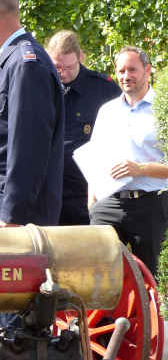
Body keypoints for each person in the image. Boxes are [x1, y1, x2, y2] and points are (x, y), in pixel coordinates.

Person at [0, 0, 64, 329]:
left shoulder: (25, 64)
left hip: (12, 223)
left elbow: (28, 150)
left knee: (14, 331)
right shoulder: (9, 62)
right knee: (1, 322)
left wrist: (12, 216)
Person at [88, 46, 168, 277]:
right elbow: (94, 158)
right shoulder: (107, 111)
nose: (126, 76)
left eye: (132, 70)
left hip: (150, 206)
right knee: (101, 275)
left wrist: (140, 168)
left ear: (147, 70)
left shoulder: (162, 111)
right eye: (121, 70)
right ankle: (108, 315)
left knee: (149, 278)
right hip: (109, 205)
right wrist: (92, 202)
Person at [46, 30, 120, 224]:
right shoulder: (41, 84)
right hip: (49, 190)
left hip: (86, 192)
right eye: (57, 67)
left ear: (80, 57)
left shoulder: (103, 88)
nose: (62, 73)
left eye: (69, 67)